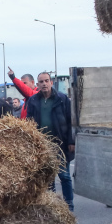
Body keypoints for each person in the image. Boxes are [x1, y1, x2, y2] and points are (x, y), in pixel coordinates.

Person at [26, 72, 75, 211]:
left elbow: (70, 121)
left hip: (61, 144)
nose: (44, 84)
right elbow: (28, 123)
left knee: (65, 176)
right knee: (48, 179)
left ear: (51, 82)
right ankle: (52, 208)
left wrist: (71, 141)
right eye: (41, 82)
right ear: (37, 84)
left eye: (46, 81)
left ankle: (69, 207)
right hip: (43, 146)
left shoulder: (62, 99)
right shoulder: (33, 101)